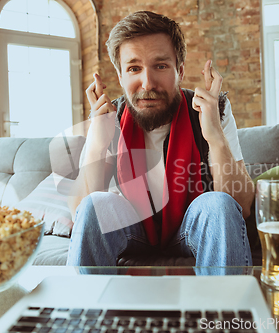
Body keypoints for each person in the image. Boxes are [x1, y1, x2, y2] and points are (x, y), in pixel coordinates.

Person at [66, 10, 255, 267]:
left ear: (180, 70)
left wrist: (215, 137)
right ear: (120, 76)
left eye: (161, 66)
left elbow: (241, 207)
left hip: (192, 227)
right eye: (134, 68)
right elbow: (78, 212)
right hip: (133, 228)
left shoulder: (212, 108)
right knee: (94, 205)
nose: (147, 83)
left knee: (219, 204)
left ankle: (224, 307)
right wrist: (97, 144)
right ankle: (85, 307)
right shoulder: (109, 117)